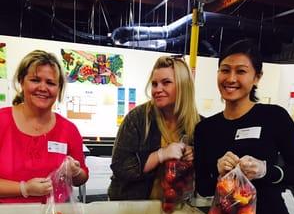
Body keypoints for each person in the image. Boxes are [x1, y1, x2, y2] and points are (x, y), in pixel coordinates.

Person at [194, 39, 294, 214]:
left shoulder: (274, 117)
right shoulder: (205, 129)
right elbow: (203, 187)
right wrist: (217, 170)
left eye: (241, 71)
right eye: (225, 70)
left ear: (257, 77)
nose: (231, 79)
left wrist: (266, 170)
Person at [0, 50, 88, 203]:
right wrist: (24, 188)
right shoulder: (2, 121)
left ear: (58, 88)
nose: (43, 88)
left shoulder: (69, 130)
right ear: (21, 81)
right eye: (35, 80)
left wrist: (75, 171)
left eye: (50, 83)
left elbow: (81, 178)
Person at [108, 55, 200, 200]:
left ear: (183, 86)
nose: (158, 89)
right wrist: (160, 155)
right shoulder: (138, 118)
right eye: (154, 84)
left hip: (177, 208)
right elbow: (120, 166)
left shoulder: (198, 124)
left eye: (166, 83)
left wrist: (195, 155)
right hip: (133, 209)